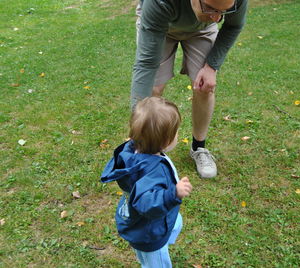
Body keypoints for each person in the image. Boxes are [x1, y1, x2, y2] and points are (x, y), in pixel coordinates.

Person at [131, 0, 248, 179]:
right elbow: (146, 64)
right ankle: (145, 151)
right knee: (153, 87)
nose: (217, 18)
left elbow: (233, 26)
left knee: (204, 87)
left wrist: (211, 67)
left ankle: (199, 147)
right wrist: (136, 133)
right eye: (211, 9)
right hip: (161, 24)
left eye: (223, 12)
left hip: (201, 29)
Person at [101, 97, 193, 267]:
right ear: (166, 142)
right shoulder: (152, 173)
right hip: (149, 234)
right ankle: (159, 245)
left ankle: (167, 231)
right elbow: (148, 205)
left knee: (176, 222)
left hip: (148, 221)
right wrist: (174, 193)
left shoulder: (133, 150)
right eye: (176, 132)